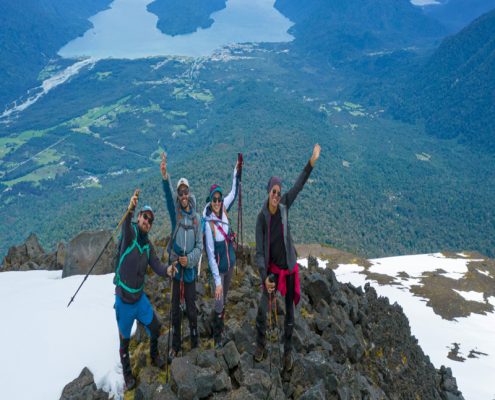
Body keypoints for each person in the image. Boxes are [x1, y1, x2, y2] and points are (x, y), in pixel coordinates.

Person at [254, 144, 321, 371]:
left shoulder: (284, 206)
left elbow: (299, 185)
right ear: (268, 192)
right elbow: (260, 253)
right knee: (263, 309)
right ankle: (260, 344)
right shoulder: (261, 219)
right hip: (273, 269)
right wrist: (264, 276)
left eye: (278, 192)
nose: (276, 195)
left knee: (290, 314)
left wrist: (311, 162)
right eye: (273, 191)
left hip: (290, 267)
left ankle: (288, 352)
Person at [114, 191, 168, 390]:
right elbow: (126, 226)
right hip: (124, 300)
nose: (147, 221)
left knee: (155, 327)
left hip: (139, 298)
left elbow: (157, 266)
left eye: (150, 220)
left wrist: (169, 271)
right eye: (145, 217)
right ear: (139, 218)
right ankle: (127, 375)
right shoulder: (130, 235)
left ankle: (154, 355)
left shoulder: (148, 245)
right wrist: (131, 208)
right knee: (124, 341)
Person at [160, 153, 202, 360]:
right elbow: (167, 197)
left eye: (186, 192)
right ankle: (176, 344)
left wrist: (191, 259)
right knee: (175, 310)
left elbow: (200, 246)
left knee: (192, 308)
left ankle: (194, 339)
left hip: (190, 268)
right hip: (177, 267)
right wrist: (165, 176)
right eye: (180, 193)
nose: (183, 196)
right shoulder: (174, 214)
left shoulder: (197, 220)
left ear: (189, 193)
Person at [203, 158, 241, 348]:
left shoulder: (224, 208)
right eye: (214, 199)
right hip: (220, 269)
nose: (217, 202)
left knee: (224, 299)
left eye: (219, 199)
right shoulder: (209, 224)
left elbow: (234, 193)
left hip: (230, 264)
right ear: (210, 201)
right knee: (218, 302)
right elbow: (210, 255)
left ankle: (218, 324)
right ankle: (217, 336)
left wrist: (236, 172)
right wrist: (216, 280)